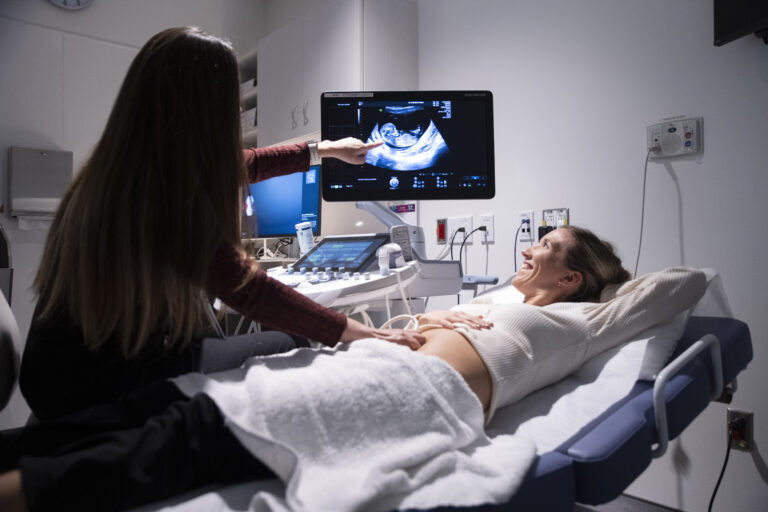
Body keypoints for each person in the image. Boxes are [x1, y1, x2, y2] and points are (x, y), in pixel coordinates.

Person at [0, 226, 708, 511]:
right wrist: (432, 320)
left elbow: (680, 284)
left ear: (576, 278)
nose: (531, 248)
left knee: (192, 427)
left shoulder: (580, 322)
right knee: (161, 396)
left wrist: (614, 278)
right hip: (379, 362)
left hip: (416, 394)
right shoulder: (497, 296)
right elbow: (436, 327)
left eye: (548, 245)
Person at [18, 26, 426, 423]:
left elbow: (248, 163)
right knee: (292, 341)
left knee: (216, 337)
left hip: (56, 374)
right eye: (230, 103)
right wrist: (363, 334)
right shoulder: (160, 194)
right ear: (201, 112)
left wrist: (326, 150)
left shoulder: (122, 171)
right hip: (94, 386)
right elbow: (248, 290)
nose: (237, 112)